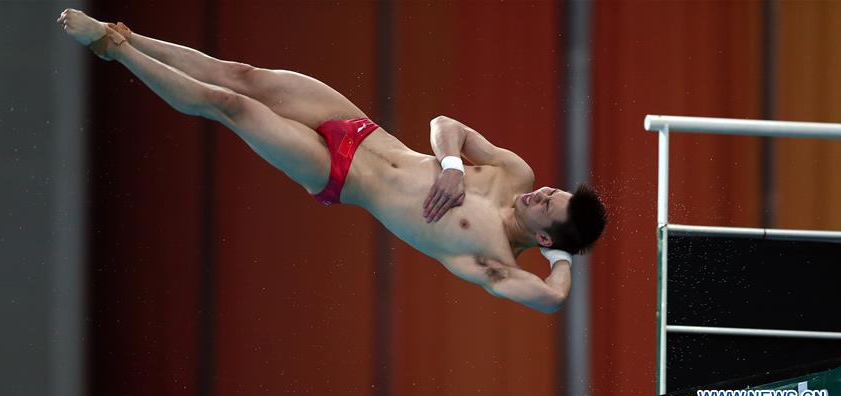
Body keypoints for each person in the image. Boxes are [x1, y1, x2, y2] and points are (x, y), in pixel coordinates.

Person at [57, 9, 607, 313]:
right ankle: (134, 35)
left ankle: (112, 47)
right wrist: (452, 165)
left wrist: (565, 260)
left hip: (338, 174)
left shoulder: (490, 260)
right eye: (554, 189)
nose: (541, 192)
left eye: (548, 206)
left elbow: (552, 301)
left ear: (544, 239)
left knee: (230, 106)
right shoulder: (517, 174)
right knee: (240, 74)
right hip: (360, 126)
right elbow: (446, 126)